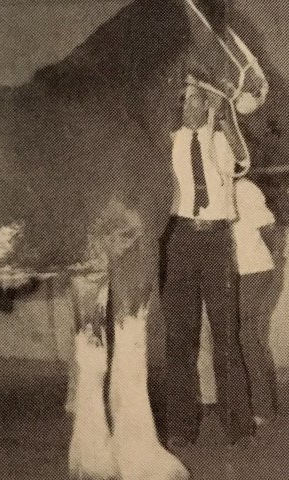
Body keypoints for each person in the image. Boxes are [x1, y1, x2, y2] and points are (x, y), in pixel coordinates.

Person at [160, 82, 254, 450]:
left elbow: (245, 161)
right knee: (179, 338)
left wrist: (225, 119)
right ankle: (181, 426)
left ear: (207, 102)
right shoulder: (167, 140)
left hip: (217, 241)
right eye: (182, 100)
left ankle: (239, 426)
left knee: (226, 335)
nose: (187, 105)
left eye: (194, 99)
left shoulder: (222, 140)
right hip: (178, 238)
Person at [234, 176, 280, 425]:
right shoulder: (218, 189)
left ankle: (262, 408)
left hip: (255, 271)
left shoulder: (245, 188)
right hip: (237, 274)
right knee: (242, 335)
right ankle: (254, 404)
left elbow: (269, 229)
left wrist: (267, 259)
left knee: (244, 334)